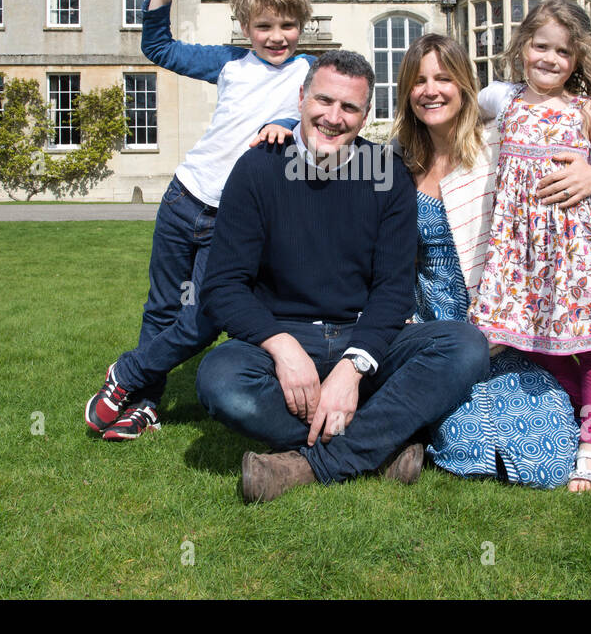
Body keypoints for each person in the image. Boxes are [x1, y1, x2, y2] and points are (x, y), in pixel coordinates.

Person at [196, 50, 490, 503]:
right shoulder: (257, 169)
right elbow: (222, 286)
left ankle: (313, 464)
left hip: (364, 335)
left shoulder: (386, 174)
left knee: (465, 346)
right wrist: (282, 347)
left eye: (349, 107)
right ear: (301, 98)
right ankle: (381, 445)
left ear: (365, 114)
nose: (333, 118)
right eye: (324, 101)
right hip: (286, 337)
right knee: (220, 381)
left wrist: (354, 366)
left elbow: (393, 290)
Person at [83, 0, 314, 440]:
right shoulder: (228, 63)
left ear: (302, 23)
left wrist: (284, 121)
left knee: (203, 318)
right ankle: (143, 403)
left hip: (233, 219)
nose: (277, 38)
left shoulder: (308, 72)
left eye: (287, 26)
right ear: (245, 28)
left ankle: (124, 374)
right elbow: (158, 48)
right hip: (184, 199)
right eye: (264, 27)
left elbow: (328, 111)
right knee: (162, 308)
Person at [388, 33, 591, 489]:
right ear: (407, 92)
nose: (431, 90)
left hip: (508, 327)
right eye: (419, 81)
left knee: (546, 461)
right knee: (466, 445)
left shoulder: (502, 143)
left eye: (444, 78)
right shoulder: (397, 161)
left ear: (466, 85)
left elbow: (582, 158)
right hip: (440, 336)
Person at [470, 0, 591, 492]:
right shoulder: (501, 98)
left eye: (562, 52)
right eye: (540, 46)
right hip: (521, 248)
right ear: (522, 47)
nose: (549, 59)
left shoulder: (588, 111)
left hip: (578, 247)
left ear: (578, 59)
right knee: (537, 342)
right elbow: (455, 118)